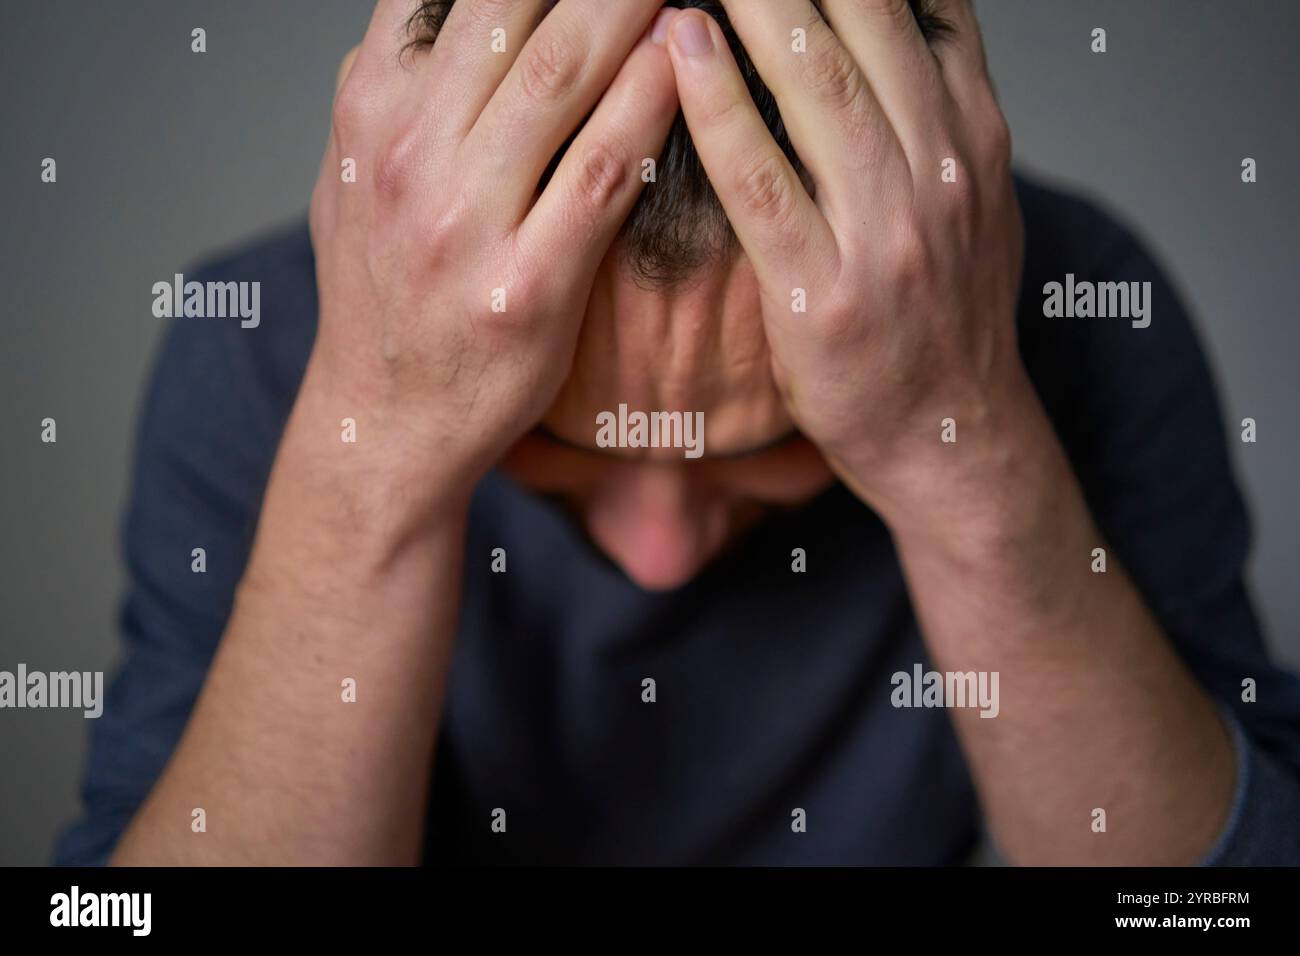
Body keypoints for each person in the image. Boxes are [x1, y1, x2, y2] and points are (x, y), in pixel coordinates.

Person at [56, 0, 1300, 866]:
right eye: (548, 448)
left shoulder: (1072, 316)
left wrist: (963, 450)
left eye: (776, 454)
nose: (659, 555)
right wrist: (370, 452)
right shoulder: (264, 350)